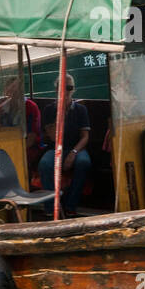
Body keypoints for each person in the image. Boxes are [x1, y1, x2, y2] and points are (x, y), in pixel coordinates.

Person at [39, 74, 92, 218]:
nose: (67, 91)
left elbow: (85, 137)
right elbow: (51, 135)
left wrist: (73, 152)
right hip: (55, 147)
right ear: (57, 89)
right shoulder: (49, 110)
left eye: (70, 88)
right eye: (64, 87)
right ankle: (50, 206)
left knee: (83, 162)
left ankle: (71, 205)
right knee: (45, 164)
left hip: (76, 147)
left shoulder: (80, 110)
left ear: (73, 89)